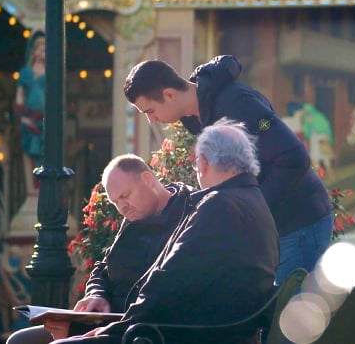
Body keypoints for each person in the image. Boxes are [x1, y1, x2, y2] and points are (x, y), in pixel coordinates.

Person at [52, 118, 279, 344]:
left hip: (175, 335)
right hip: (203, 331)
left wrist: (116, 330)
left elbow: (168, 282)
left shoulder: (218, 205)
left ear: (203, 163)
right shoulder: (256, 203)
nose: (122, 207)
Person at [123, 56, 333, 284]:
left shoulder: (238, 104)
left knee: (292, 315)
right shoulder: (196, 115)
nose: (152, 120)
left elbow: (294, 157)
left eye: (149, 111)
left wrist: (255, 210)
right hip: (274, 227)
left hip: (298, 223)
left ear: (170, 95)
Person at [5, 154, 193, 343]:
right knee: (20, 340)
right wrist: (97, 294)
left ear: (147, 179)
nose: (122, 208)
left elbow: (164, 294)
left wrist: (101, 329)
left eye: (124, 196)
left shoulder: (189, 215)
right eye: (115, 202)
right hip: (105, 321)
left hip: (140, 329)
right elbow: (103, 267)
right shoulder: (133, 217)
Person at [15, 31, 46, 168]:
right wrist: (22, 116)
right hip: (29, 119)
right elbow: (20, 95)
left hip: (45, 120)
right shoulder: (26, 72)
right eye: (40, 50)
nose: (42, 53)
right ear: (34, 52)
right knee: (29, 154)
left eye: (45, 50)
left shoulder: (51, 71)